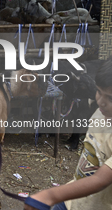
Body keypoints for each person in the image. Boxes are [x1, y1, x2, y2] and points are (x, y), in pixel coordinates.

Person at [24, 59, 112, 210]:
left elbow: (101, 179)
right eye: (99, 91)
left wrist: (50, 195)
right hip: (72, 200)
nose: (100, 101)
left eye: (110, 98)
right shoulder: (101, 112)